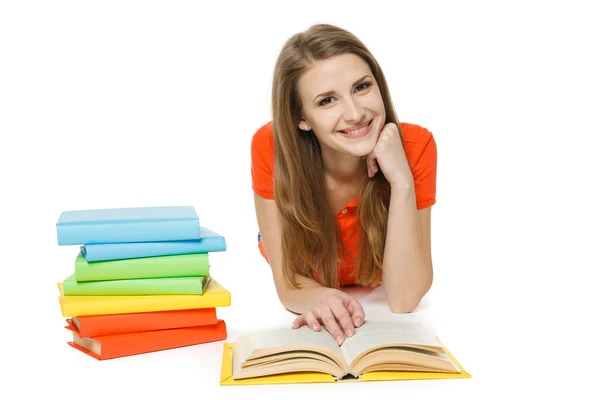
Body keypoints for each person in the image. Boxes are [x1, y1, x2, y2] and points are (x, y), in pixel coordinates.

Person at [251, 24, 437, 346]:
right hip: (306, 255)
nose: (355, 113)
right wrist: (324, 298)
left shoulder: (417, 145)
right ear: (301, 118)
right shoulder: (271, 146)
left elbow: (405, 299)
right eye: (327, 101)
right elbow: (289, 283)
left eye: (362, 87)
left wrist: (402, 182)